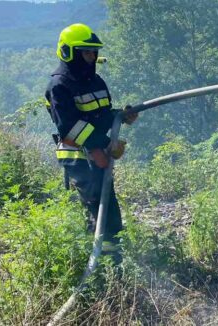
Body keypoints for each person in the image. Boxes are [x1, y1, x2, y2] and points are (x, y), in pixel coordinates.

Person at [44, 23, 137, 264]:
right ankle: (103, 267)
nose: (92, 57)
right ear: (69, 53)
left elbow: (100, 115)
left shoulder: (95, 81)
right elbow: (70, 127)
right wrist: (101, 146)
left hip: (97, 152)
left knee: (110, 209)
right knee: (98, 210)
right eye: (86, 52)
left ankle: (115, 260)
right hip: (78, 157)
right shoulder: (59, 86)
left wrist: (120, 116)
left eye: (93, 52)